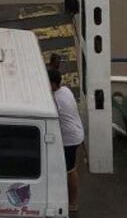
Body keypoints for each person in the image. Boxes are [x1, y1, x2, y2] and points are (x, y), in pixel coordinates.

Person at [48, 69, 83, 214]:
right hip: (77, 132)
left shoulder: (56, 99)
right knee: (69, 168)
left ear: (53, 83)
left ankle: (73, 203)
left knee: (70, 171)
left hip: (70, 139)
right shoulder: (66, 90)